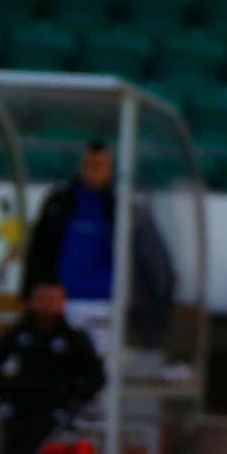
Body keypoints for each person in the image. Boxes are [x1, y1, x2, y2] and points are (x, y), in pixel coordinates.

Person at [20, 140, 176, 353]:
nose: (94, 170)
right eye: (89, 164)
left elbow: (150, 256)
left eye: (100, 165)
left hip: (105, 301)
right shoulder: (60, 201)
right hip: (61, 301)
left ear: (110, 168)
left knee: (98, 364)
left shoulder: (123, 206)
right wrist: (32, 290)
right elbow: (39, 247)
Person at [0, 282, 105, 454]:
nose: (48, 305)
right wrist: (4, 395)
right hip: (20, 403)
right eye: (43, 299)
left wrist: (74, 401)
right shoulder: (21, 332)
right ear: (33, 302)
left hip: (54, 407)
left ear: (62, 303)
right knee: (15, 436)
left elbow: (96, 376)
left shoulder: (72, 337)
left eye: (53, 300)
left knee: (31, 438)